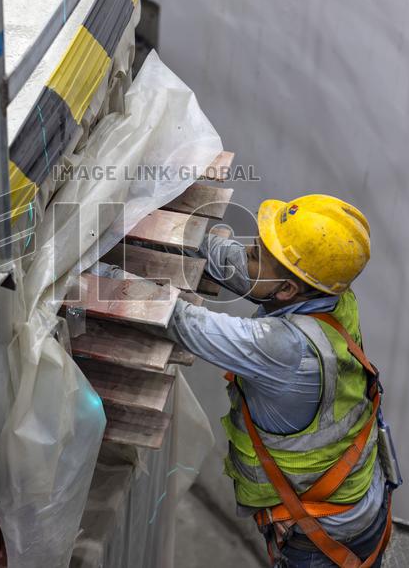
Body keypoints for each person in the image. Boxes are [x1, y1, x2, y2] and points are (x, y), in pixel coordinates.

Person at [163, 194, 394, 567]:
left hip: (321, 536)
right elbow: (239, 267)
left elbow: (182, 322)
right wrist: (182, 238)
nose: (248, 250)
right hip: (360, 501)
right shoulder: (333, 294)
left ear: (287, 290)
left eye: (258, 254)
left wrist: (99, 276)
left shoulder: (286, 349)